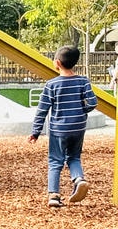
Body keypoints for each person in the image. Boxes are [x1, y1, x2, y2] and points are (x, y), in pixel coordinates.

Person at [29, 45, 97, 207]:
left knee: (55, 161)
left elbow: (42, 110)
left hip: (58, 129)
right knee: (74, 157)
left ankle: (54, 195)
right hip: (78, 127)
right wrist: (82, 111)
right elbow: (93, 102)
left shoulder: (51, 85)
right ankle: (79, 179)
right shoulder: (83, 81)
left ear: (57, 63)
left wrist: (36, 131)